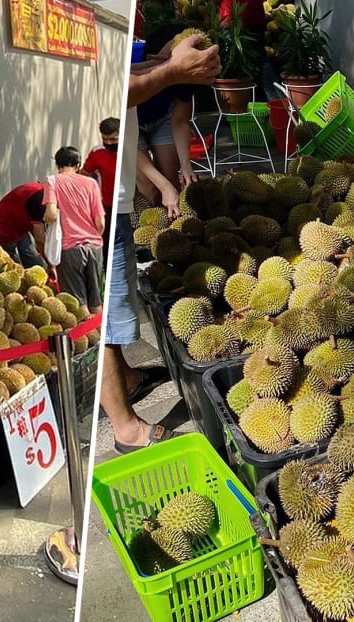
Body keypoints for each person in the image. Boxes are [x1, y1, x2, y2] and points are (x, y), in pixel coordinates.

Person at [101, 34, 221, 454]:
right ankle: (125, 429)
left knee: (112, 307)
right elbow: (109, 94)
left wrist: (164, 62)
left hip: (100, 189)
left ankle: (127, 380)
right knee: (102, 320)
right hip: (94, 193)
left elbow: (174, 120)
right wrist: (170, 70)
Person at [137, 24, 197, 201]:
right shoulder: (132, 61)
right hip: (131, 126)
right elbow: (125, 139)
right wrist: (162, 186)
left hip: (163, 118)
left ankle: (172, 218)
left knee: (171, 175)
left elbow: (180, 121)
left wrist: (186, 166)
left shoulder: (189, 71)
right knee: (148, 187)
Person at [42, 146, 104, 315]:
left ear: (58, 165)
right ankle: (101, 336)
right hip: (95, 246)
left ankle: (86, 340)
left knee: (77, 304)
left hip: (70, 248)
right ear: (78, 165)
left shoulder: (52, 181)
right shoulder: (91, 183)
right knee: (96, 301)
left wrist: (47, 220)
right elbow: (100, 222)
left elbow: (52, 214)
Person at [81, 117, 119, 264]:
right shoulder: (97, 152)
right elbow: (85, 174)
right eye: (105, 139)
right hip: (106, 204)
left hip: (130, 198)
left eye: (113, 139)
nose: (109, 143)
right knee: (107, 241)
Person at [0, 182, 47, 269]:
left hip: (19, 227)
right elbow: (39, 238)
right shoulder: (39, 198)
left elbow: (36, 229)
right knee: (12, 268)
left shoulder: (43, 190)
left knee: (33, 258)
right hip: (1, 229)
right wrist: (50, 262)